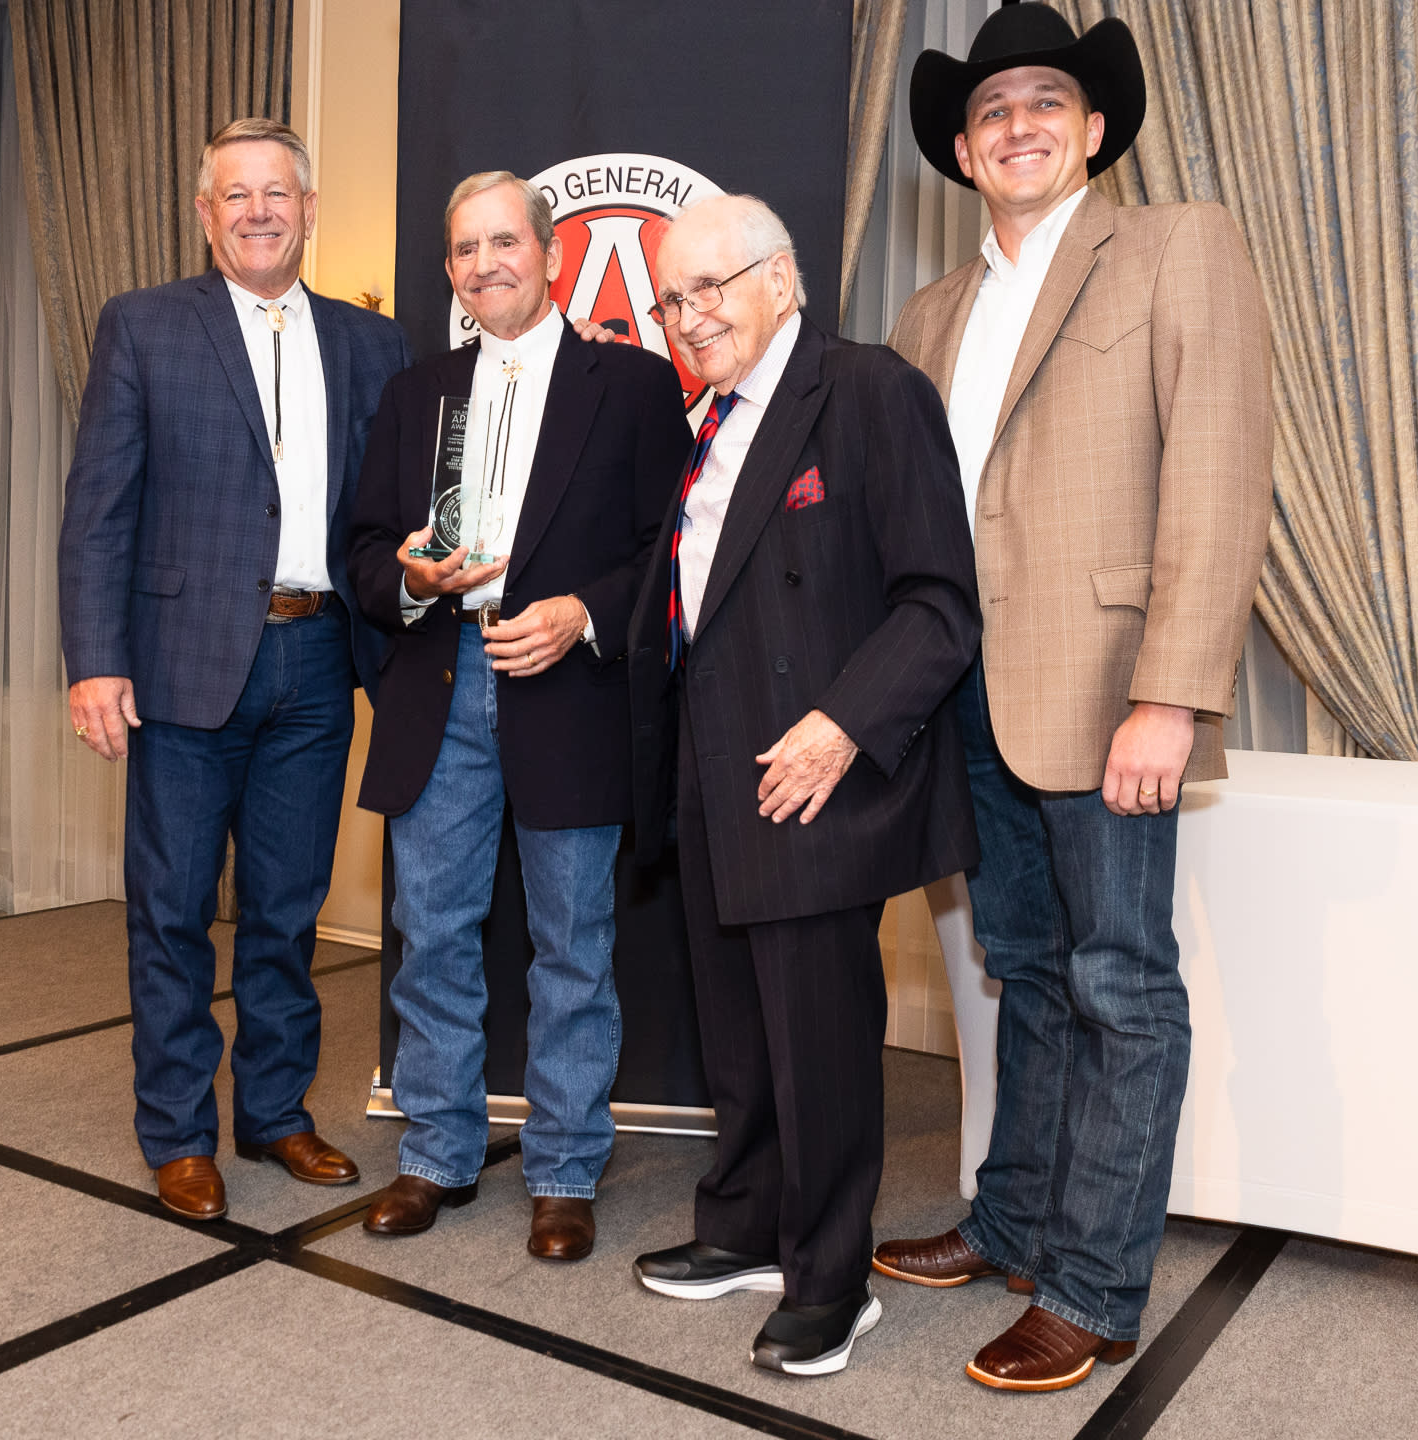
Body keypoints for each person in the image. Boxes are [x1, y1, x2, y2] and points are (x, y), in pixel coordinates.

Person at [871, 3, 1274, 1393]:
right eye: (991, 111)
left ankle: (1094, 1288)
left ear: (1095, 130)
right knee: (1026, 971)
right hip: (968, 703)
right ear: (963, 153)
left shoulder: (1177, 246)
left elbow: (1218, 472)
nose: (1018, 125)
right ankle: (1014, 1224)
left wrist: (1172, 694)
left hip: (1109, 694)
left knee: (1120, 984)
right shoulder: (928, 314)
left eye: (1046, 101)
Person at [625, 194, 981, 1376]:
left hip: (814, 770)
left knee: (817, 1036)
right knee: (737, 1026)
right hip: (711, 763)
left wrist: (840, 727)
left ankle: (831, 1280)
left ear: (781, 279)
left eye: (709, 289)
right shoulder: (711, 420)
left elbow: (938, 603)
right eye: (671, 300)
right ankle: (746, 1230)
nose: (689, 316)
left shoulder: (871, 393)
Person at [57, 118, 409, 1222]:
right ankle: (177, 1132)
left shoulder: (373, 343)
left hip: (319, 656)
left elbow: (388, 508)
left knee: (287, 908)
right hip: (180, 665)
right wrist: (95, 661)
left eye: (277, 193)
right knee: (170, 910)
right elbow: (98, 510)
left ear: (309, 209)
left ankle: (274, 1113)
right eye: (236, 196)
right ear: (206, 216)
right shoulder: (144, 326)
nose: (259, 212)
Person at [346, 172, 689, 1260]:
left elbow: (671, 552)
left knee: (573, 945)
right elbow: (363, 548)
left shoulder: (631, 385)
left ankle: (566, 1167)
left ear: (551, 254)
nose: (484, 263)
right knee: (432, 935)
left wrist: (582, 615)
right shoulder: (417, 394)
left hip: (568, 689)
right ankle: (435, 1154)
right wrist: (409, 578)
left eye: (504, 242)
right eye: (465, 249)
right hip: (439, 686)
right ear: (448, 269)